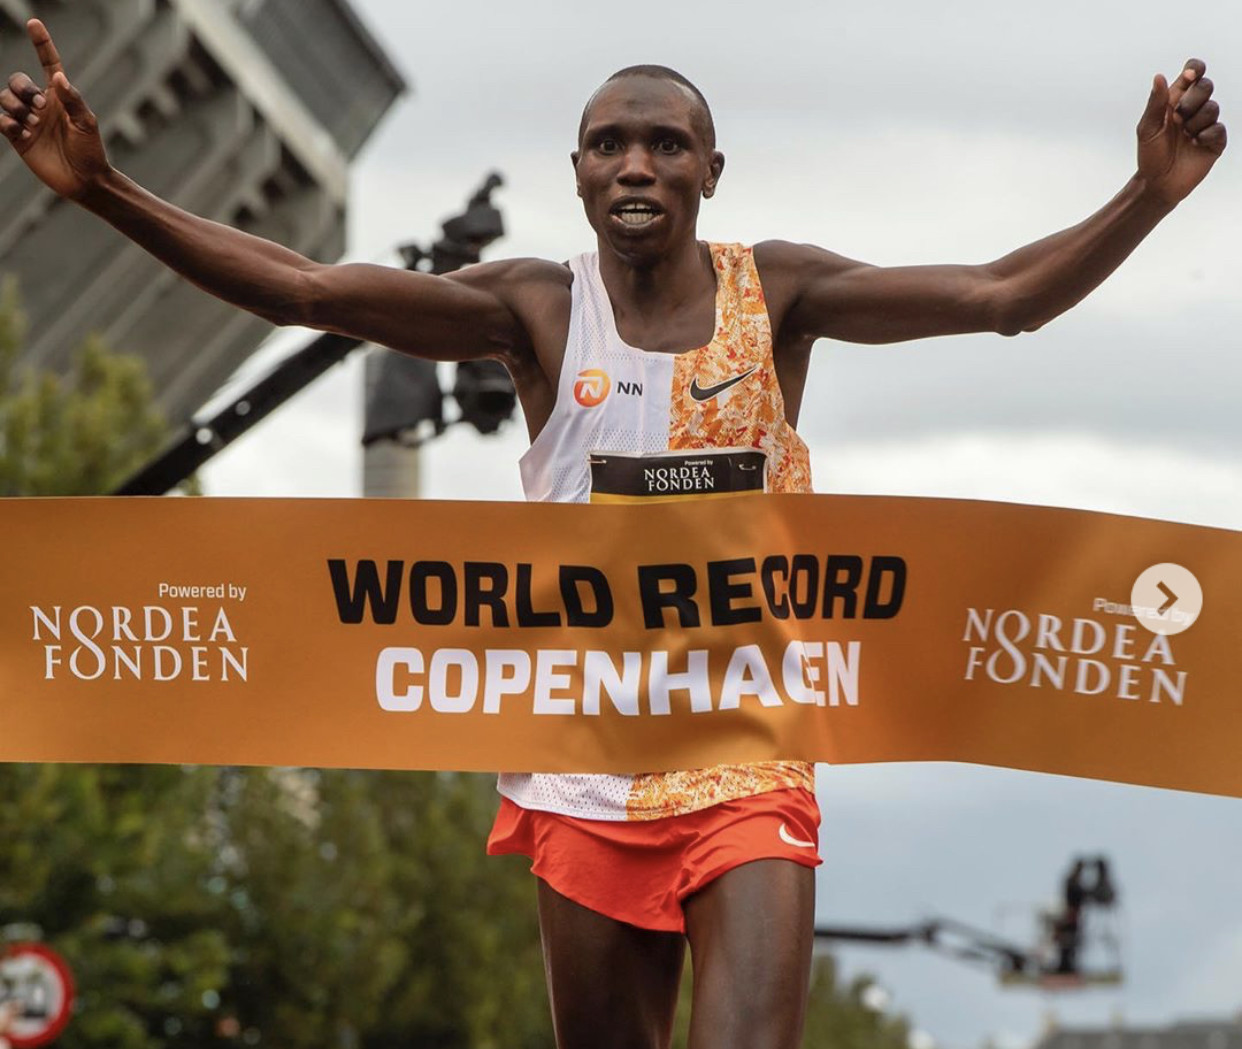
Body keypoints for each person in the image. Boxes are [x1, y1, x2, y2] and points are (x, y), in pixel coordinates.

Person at [1, 19, 1226, 1049]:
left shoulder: (778, 295)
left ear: (711, 170)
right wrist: (105, 190)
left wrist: (1146, 196)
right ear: (579, 173)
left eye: (666, 143)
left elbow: (1000, 298)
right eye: (609, 144)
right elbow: (311, 292)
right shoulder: (537, 309)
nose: (636, 163)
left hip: (746, 753)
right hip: (583, 766)